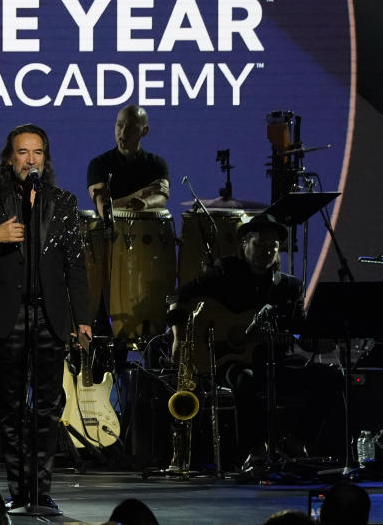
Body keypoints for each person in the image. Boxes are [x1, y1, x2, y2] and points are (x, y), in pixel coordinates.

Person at [0, 124, 92, 513]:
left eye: (37, 153)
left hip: (50, 315)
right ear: (9, 158)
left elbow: (75, 266)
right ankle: (17, 491)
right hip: (8, 315)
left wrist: (83, 319)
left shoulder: (62, 202)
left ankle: (41, 491)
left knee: (47, 407)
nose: (30, 160)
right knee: (12, 408)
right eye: (22, 152)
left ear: (44, 160)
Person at [166, 213, 308, 471]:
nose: (266, 252)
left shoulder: (290, 288)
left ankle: (296, 441)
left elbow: (301, 331)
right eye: (260, 245)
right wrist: (179, 338)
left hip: (276, 362)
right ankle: (255, 451)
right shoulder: (226, 271)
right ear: (245, 244)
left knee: (330, 379)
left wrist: (317, 340)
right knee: (246, 380)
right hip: (228, 360)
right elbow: (178, 295)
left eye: (272, 248)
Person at [86, 104, 169, 216]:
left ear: (144, 131)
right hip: (109, 232)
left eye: (131, 127)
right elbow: (104, 210)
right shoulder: (98, 164)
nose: (123, 132)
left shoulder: (157, 164)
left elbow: (161, 196)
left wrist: (146, 203)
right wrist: (140, 194)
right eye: (120, 125)